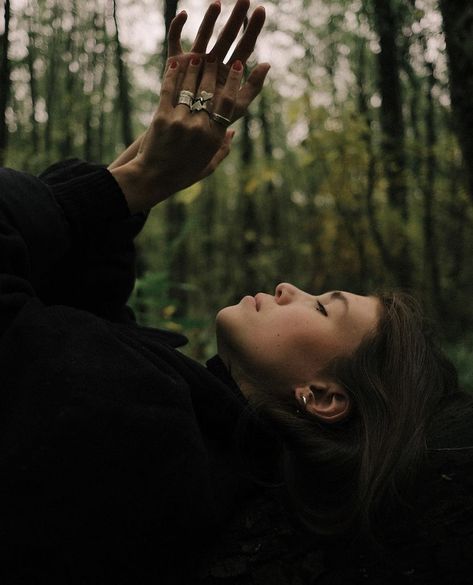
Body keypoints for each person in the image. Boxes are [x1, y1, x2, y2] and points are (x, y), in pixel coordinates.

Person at [1, 2, 472, 585]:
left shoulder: (147, 427)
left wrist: (136, 183)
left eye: (324, 305)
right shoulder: (193, 430)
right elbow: (81, 311)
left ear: (323, 396)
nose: (289, 287)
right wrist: (146, 166)